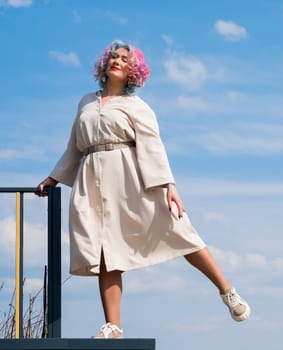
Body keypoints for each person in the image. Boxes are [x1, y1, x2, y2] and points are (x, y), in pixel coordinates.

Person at [36, 39, 250, 339]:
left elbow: (153, 147)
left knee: (177, 227)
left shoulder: (137, 106)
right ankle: (114, 326)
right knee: (104, 251)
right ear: (103, 65)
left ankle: (226, 290)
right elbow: (74, 146)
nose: (118, 61)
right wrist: (53, 178)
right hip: (91, 179)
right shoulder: (85, 101)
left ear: (133, 71)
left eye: (125, 59)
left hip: (129, 178)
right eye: (113, 56)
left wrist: (168, 186)